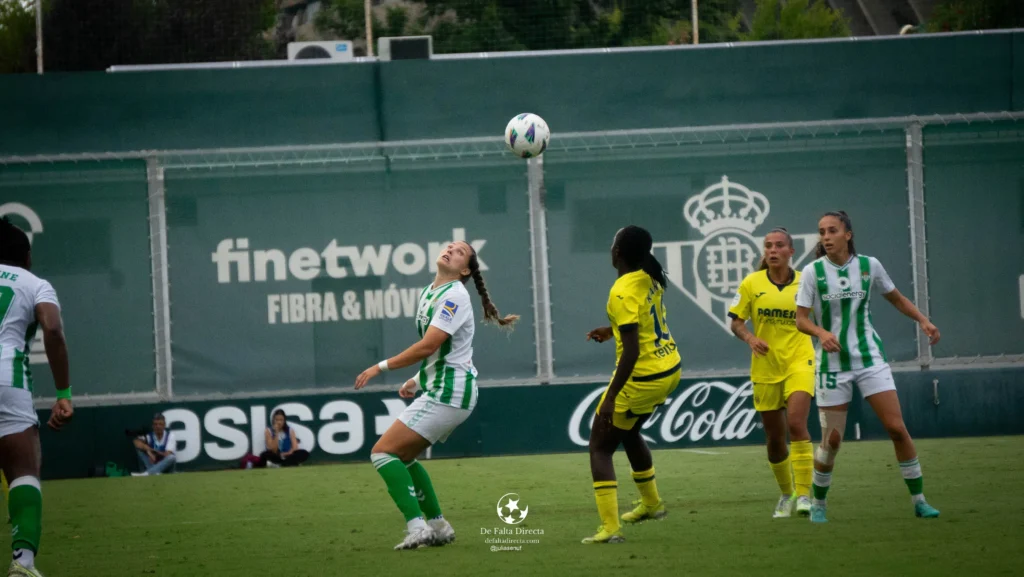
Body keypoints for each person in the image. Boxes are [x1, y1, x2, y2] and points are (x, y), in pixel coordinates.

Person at [354, 241, 518, 551]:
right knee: (404, 457)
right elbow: (446, 352)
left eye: (459, 252)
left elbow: (429, 346)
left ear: (465, 270)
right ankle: (439, 527)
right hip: (444, 388)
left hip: (450, 393)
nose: (450, 250)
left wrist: (381, 366)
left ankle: (418, 527)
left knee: (382, 453)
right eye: (450, 246)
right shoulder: (431, 291)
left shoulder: (455, 296)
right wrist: (417, 379)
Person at [795, 210, 941, 523]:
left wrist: (924, 321)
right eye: (822, 232)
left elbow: (897, 298)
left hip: (870, 359)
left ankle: (919, 500)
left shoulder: (869, 266)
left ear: (848, 234)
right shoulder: (812, 272)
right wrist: (821, 333)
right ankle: (819, 502)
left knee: (896, 429)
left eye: (832, 230)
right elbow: (801, 320)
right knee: (832, 441)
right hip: (832, 366)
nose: (826, 237)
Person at [582, 225, 681, 544]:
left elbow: (633, 351)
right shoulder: (650, 274)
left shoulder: (622, 289)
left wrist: (611, 396)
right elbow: (641, 321)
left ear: (618, 252)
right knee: (630, 431)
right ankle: (652, 504)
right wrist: (611, 329)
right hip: (670, 368)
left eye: (613, 243)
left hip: (643, 377)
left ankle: (610, 529)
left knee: (599, 446)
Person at [0, 217, 74, 577]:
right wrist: (63, 393)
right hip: (7, 382)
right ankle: (23, 564)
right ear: (27, 257)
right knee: (23, 472)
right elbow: (53, 329)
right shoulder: (35, 284)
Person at [728, 227, 816, 518]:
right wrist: (751, 338)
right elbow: (737, 322)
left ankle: (804, 495)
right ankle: (786, 494)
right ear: (764, 252)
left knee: (795, 423)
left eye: (779, 245)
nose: (773, 250)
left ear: (791, 251)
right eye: (768, 246)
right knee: (775, 438)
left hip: (799, 360)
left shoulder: (807, 281)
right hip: (766, 366)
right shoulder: (752, 283)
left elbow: (825, 315)